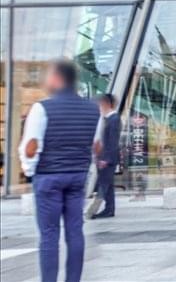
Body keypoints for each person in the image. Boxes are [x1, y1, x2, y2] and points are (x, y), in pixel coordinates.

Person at [19, 60, 101, 282]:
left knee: (49, 235)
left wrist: (30, 171)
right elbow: (95, 145)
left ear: (57, 78)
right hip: (77, 176)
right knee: (75, 231)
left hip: (48, 177)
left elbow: (31, 147)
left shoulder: (42, 108)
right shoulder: (93, 109)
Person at [91, 93, 121, 219]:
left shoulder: (114, 119)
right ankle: (109, 209)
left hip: (107, 159)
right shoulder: (105, 119)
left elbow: (112, 141)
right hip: (102, 157)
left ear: (107, 104)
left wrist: (106, 159)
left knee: (103, 185)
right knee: (107, 186)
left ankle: (93, 210)